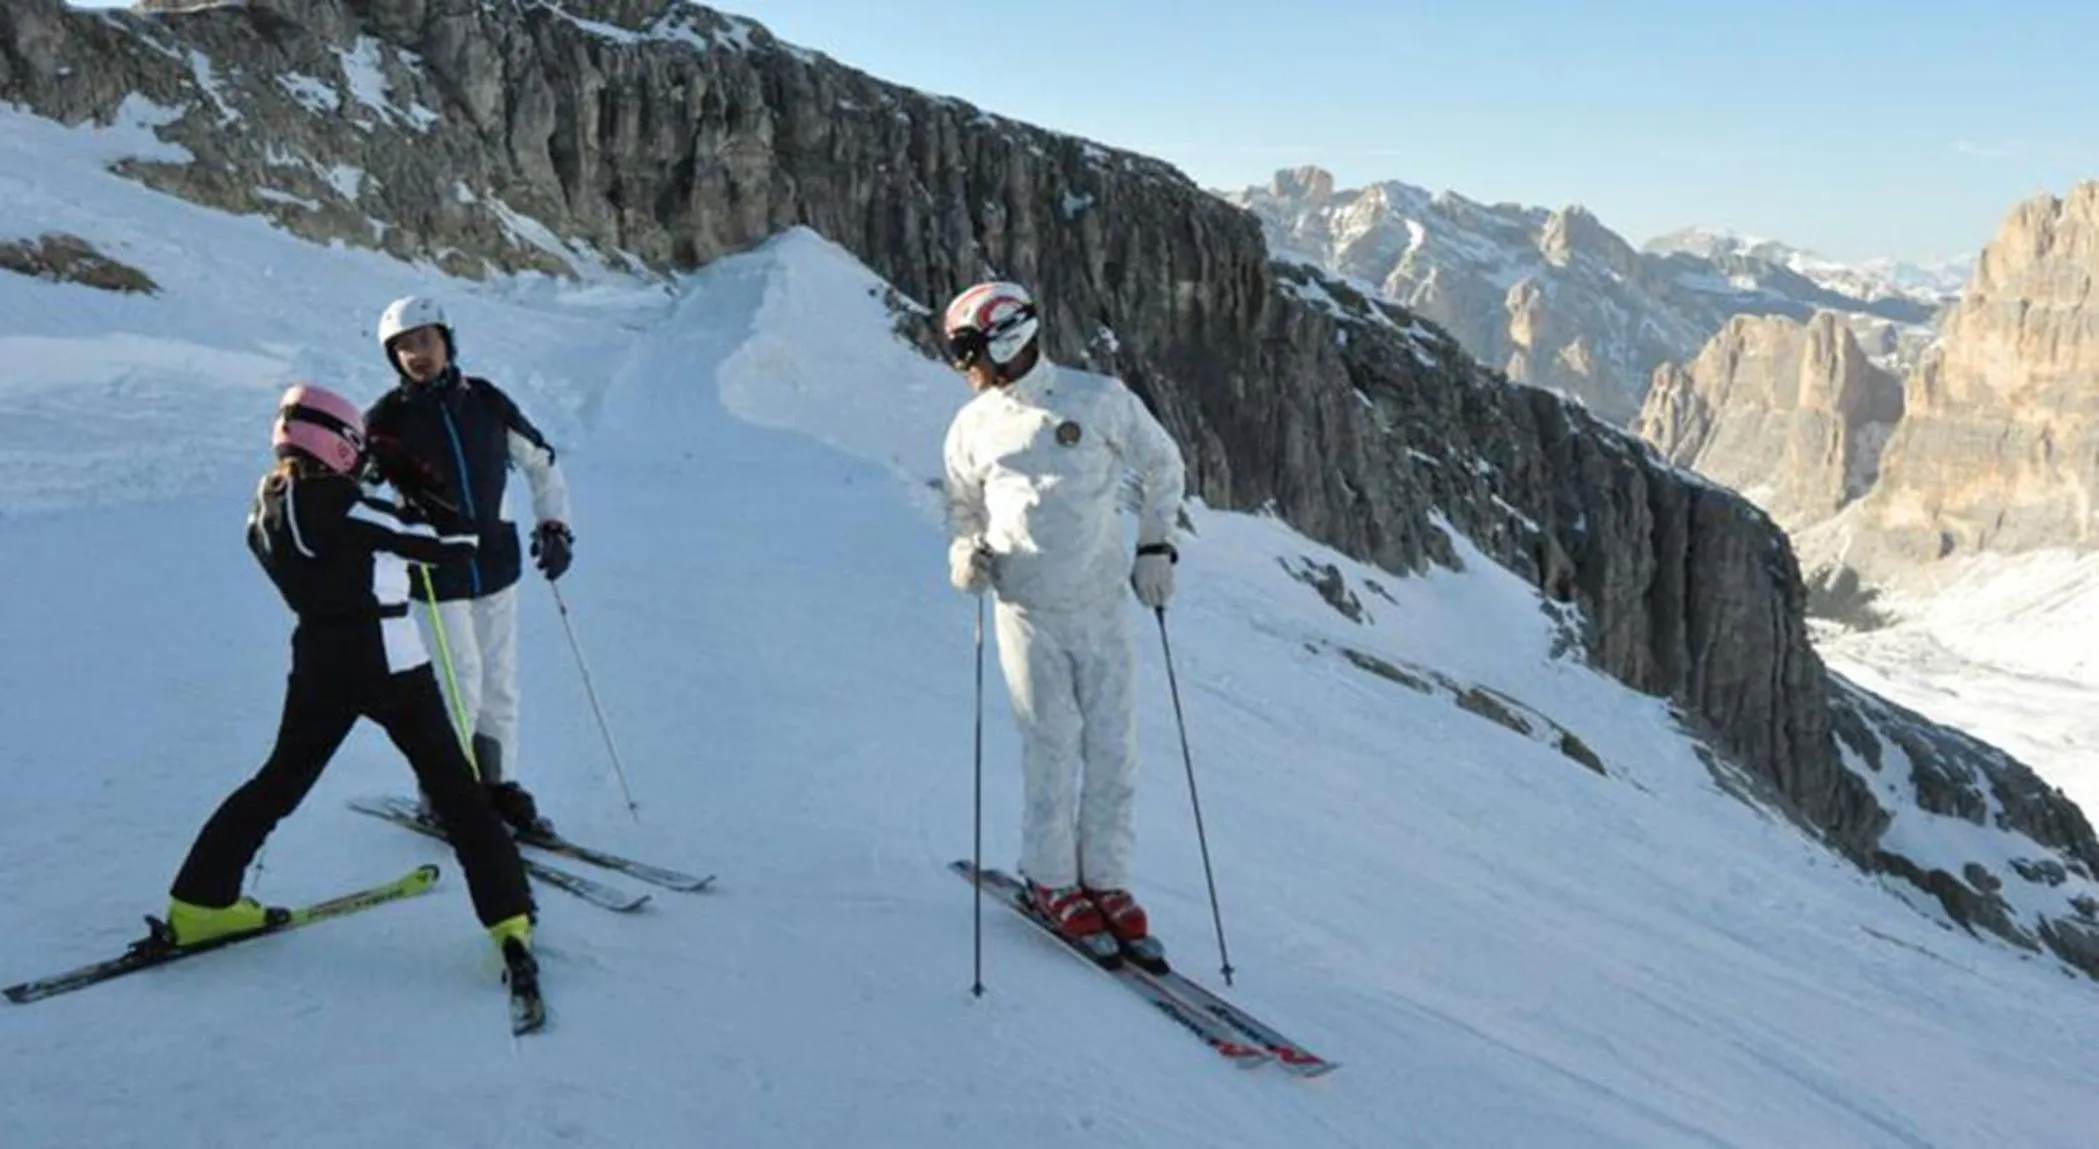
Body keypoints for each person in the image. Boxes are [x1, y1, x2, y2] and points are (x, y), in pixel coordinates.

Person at [162, 383, 539, 991]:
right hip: (390, 661)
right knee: (458, 793)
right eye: (356, 446)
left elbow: (334, 550)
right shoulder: (344, 503)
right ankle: (509, 919)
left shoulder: (267, 506)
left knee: (279, 780)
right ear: (336, 443)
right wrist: (425, 490)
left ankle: (199, 902)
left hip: (317, 659)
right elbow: (456, 544)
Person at [939, 280, 1188, 964]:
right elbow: (961, 502)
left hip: (1102, 604)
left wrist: (1155, 545)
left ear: (1007, 334)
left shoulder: (1098, 399)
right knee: (1050, 745)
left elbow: (1163, 463)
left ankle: (1105, 878)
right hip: (1026, 610)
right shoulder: (974, 425)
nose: (962, 364)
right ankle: (1051, 878)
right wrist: (965, 550)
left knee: (1113, 747)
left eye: (967, 348)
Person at [364, 296, 573, 837]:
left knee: (500, 681)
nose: (417, 354)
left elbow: (542, 463)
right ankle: (446, 792)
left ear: (447, 341)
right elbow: (355, 494)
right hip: (436, 576)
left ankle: (500, 785)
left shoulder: (484, 401)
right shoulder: (386, 421)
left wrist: (555, 526)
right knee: (461, 683)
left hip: (497, 566)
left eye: (425, 340)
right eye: (404, 347)